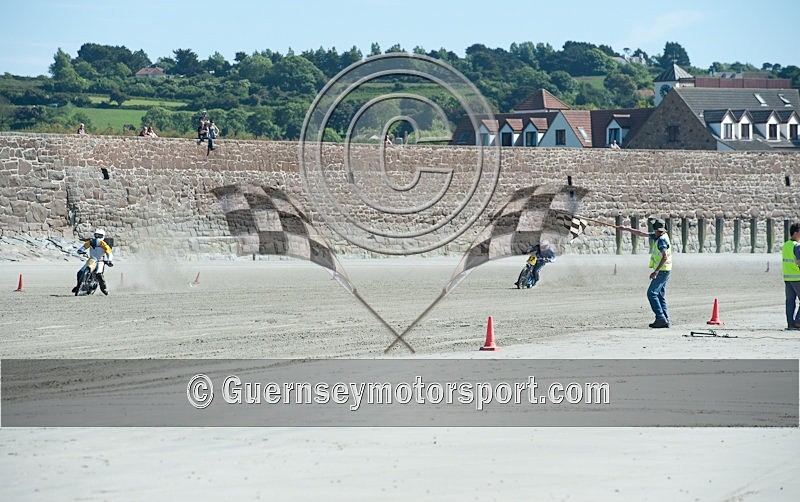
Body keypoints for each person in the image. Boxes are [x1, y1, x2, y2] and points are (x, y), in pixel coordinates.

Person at [622, 218, 672, 328]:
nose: (658, 232)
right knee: (659, 295)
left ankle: (660, 318)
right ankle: (665, 318)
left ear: (663, 231)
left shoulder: (661, 240)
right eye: (657, 230)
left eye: (660, 231)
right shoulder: (658, 235)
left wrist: (656, 271)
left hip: (662, 271)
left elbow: (664, 257)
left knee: (651, 293)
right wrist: (626, 229)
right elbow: (641, 233)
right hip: (666, 270)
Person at [71, 228, 114, 295]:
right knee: (80, 272)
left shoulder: (104, 245)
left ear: (103, 236)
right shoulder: (91, 242)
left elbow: (109, 253)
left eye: (99, 236)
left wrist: (109, 260)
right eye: (96, 235)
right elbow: (84, 247)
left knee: (99, 274)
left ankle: (104, 289)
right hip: (91, 260)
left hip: (100, 261)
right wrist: (81, 250)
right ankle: (78, 285)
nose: (97, 237)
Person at [783, 222, 800, 330]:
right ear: (795, 233)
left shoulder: (786, 245)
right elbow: (799, 261)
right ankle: (798, 321)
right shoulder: (797, 246)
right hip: (797, 278)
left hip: (787, 278)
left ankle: (790, 324)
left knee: (790, 302)